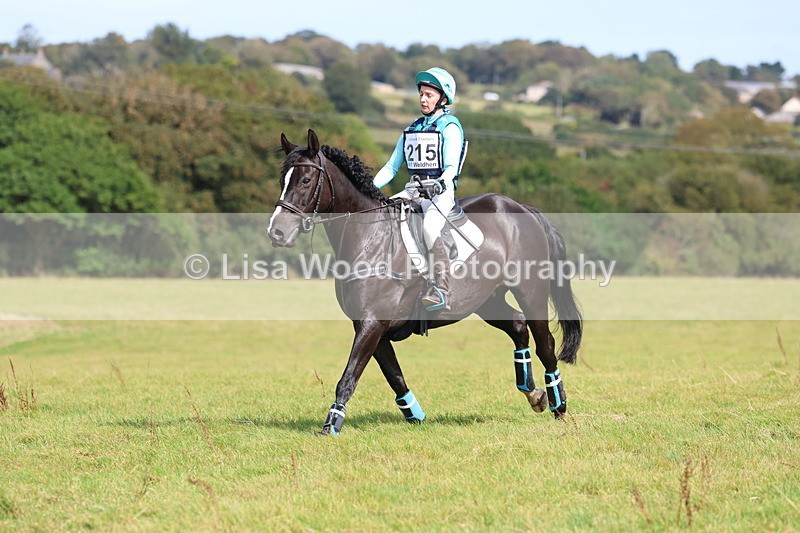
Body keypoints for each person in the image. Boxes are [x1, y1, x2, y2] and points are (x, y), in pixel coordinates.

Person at [373, 67, 467, 311]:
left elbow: (451, 168)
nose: (424, 99)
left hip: (439, 193)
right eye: (422, 94)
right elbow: (391, 168)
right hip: (413, 191)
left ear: (443, 99)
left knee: (429, 226)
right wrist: (369, 189)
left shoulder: (450, 127)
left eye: (429, 95)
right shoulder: (412, 129)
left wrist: (439, 184)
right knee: (382, 215)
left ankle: (440, 288)